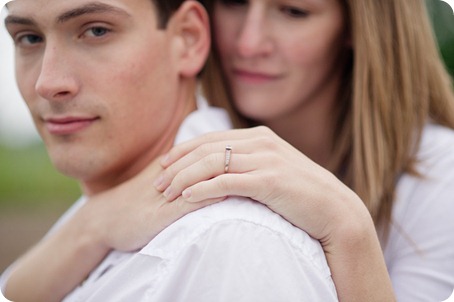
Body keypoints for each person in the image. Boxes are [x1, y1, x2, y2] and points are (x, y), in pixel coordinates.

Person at [3, 0, 454, 301]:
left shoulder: (235, 236)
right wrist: (94, 224)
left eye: (294, 10)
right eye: (234, 1)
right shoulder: (141, 180)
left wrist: (349, 228)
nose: (247, 43)